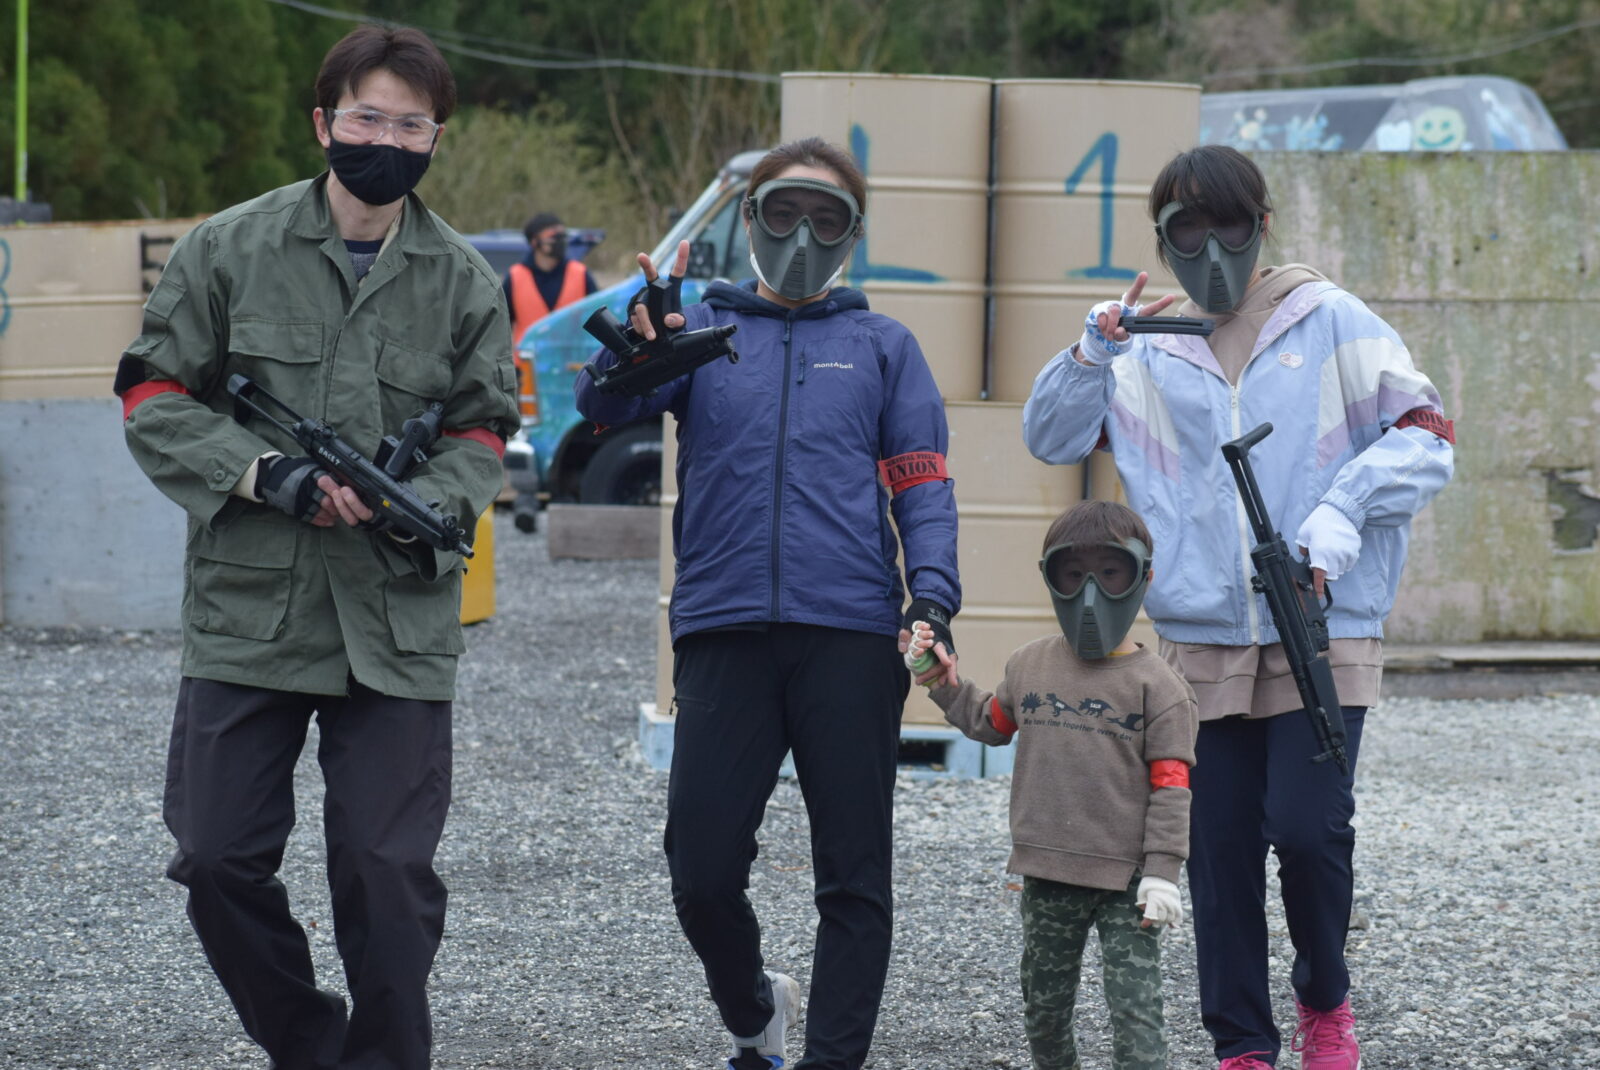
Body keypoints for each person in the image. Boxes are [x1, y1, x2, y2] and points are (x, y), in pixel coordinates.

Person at [113, 24, 518, 1070]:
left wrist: (417, 502)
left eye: (411, 125)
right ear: (323, 123)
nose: (387, 140)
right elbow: (152, 394)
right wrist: (267, 475)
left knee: (387, 876)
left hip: (395, 615)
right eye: (367, 117)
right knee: (215, 859)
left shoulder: (464, 281)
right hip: (253, 610)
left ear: (437, 139)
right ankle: (312, 1047)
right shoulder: (228, 248)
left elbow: (484, 430)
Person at [1021, 144, 1455, 1070]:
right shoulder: (1144, 346)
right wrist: (1089, 354)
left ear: (1261, 226)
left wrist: (1342, 510)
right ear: (1162, 240)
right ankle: (1242, 1044)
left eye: (1229, 226)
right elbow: (1050, 437)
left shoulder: (1331, 320)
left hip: (1321, 627)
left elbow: (1428, 436)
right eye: (1187, 231)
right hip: (1198, 642)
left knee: (1309, 830)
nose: (1210, 249)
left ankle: (1325, 1001)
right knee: (1214, 851)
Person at [575, 137, 961, 1070]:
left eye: (828, 220)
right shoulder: (699, 329)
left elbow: (923, 485)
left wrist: (934, 600)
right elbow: (600, 409)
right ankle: (755, 1011)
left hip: (853, 635)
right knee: (701, 870)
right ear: (749, 219)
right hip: (725, 628)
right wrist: (636, 351)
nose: (802, 237)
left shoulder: (883, 346)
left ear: (853, 236)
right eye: (784, 213)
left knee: (854, 877)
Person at [906, 498, 1198, 1070]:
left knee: (1136, 1015)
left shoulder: (1162, 688)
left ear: (1142, 578)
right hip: (1046, 874)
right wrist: (941, 683)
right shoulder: (1030, 665)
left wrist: (1163, 874)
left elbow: (1172, 787)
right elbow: (992, 723)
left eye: (1110, 572)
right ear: (1051, 578)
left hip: (1127, 883)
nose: (1092, 592)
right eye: (1074, 573)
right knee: (1044, 1010)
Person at [505, 210, 598, 346]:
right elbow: (501, 326)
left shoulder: (580, 273)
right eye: (554, 237)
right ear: (534, 241)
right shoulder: (515, 277)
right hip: (527, 358)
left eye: (563, 237)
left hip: (571, 357)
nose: (560, 242)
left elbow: (597, 319)